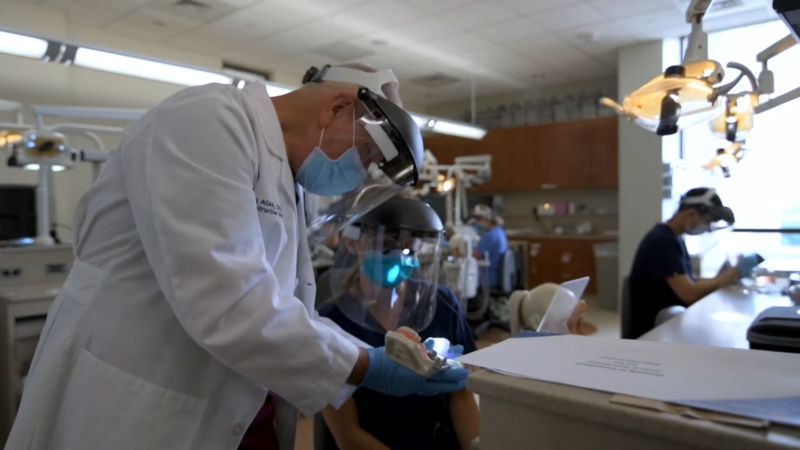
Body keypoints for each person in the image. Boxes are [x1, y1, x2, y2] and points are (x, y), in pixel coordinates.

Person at [6, 64, 468, 450]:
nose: (356, 174)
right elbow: (229, 301)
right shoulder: (207, 120)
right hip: (136, 403)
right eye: (365, 153)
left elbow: (280, 307)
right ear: (338, 108)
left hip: (232, 407)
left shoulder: (288, 180)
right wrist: (367, 367)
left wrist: (378, 351)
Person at [317, 196, 480, 450]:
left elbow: (461, 394)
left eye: (408, 246)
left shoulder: (442, 305)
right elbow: (347, 435)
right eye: (386, 244)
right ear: (352, 242)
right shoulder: (330, 323)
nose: (400, 255)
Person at [629, 188, 761, 338]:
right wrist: (734, 273)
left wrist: (727, 277)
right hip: (656, 330)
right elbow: (689, 293)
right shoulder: (662, 241)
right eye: (707, 221)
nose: (707, 228)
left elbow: (689, 280)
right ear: (691, 213)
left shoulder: (674, 238)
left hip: (671, 321)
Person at [471, 204, 508, 288]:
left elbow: (475, 254)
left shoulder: (490, 235)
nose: (477, 222)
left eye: (479, 219)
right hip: (495, 274)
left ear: (487, 219)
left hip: (488, 276)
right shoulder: (498, 231)